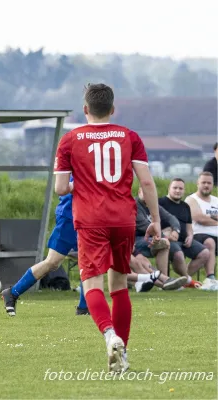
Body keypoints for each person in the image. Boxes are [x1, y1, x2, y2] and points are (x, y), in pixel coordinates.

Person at [52, 83, 160, 373]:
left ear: (85, 109)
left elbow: (61, 187)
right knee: (120, 285)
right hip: (123, 219)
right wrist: (155, 220)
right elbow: (147, 183)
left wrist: (83, 184)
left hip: (90, 220)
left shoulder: (69, 140)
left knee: (92, 285)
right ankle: (122, 357)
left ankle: (110, 336)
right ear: (113, 109)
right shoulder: (130, 137)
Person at [1, 176, 90, 316]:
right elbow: (63, 185)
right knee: (53, 262)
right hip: (69, 216)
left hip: (89, 216)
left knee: (88, 260)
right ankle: (12, 293)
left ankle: (84, 307)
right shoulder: (71, 155)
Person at [158, 178, 215, 290]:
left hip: (185, 240)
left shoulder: (185, 206)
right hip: (168, 240)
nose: (178, 191)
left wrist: (190, 236)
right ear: (169, 188)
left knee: (205, 253)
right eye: (175, 188)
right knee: (178, 255)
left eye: (180, 188)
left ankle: (181, 281)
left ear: (184, 191)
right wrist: (164, 233)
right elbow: (153, 221)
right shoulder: (160, 202)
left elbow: (189, 226)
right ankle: (183, 281)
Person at [185, 171, 218, 265]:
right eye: (203, 182)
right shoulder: (191, 199)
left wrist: (208, 217)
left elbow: (204, 217)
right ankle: (210, 277)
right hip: (198, 235)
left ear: (213, 184)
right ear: (198, 183)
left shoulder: (216, 200)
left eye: (209, 183)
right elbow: (200, 219)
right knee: (210, 242)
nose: (206, 185)